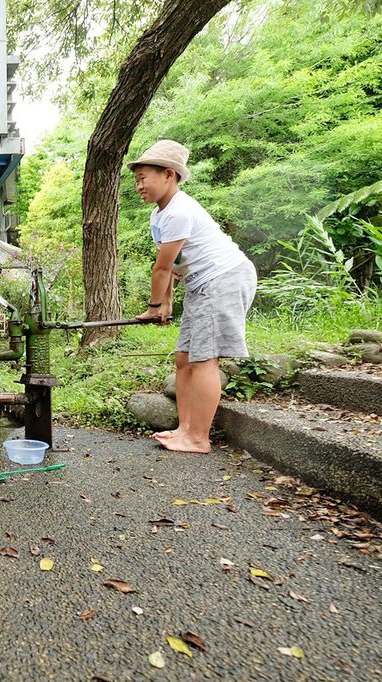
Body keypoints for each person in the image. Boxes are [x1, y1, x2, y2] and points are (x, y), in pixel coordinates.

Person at [128, 140, 257, 454]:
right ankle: (184, 429)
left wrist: (153, 306)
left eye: (144, 177)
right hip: (202, 284)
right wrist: (167, 304)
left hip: (222, 279)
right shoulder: (159, 216)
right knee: (184, 359)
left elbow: (160, 268)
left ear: (169, 175)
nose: (138, 185)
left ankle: (198, 437)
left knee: (203, 360)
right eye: (136, 180)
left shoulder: (179, 211)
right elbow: (169, 265)